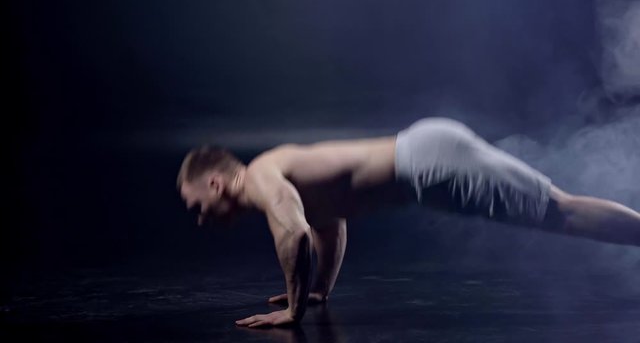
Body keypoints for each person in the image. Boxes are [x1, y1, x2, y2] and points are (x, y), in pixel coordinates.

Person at [176, 117, 640, 328]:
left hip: (429, 164)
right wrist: (318, 290)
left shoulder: (259, 175)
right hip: (428, 155)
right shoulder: (277, 171)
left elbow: (292, 231)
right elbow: (327, 226)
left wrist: (294, 311)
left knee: (561, 212)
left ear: (216, 184)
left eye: (197, 206)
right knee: (559, 209)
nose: (200, 220)